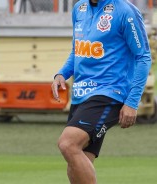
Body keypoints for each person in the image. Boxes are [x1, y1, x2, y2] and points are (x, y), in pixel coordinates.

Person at [51, 0, 151, 183]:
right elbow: (77, 49)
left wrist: (132, 102)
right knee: (77, 161)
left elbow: (143, 57)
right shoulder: (79, 8)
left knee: (68, 144)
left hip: (110, 92)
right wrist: (62, 74)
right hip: (80, 94)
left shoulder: (125, 11)